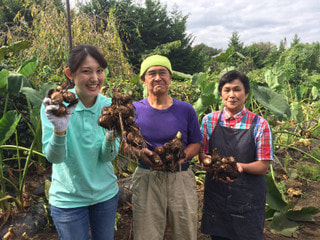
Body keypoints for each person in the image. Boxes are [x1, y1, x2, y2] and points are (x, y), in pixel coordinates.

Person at [40, 44, 119, 240]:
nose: (95, 78)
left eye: (99, 71)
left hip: (105, 195)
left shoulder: (110, 106)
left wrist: (111, 133)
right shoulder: (55, 108)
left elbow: (108, 156)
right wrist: (60, 130)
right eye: (86, 71)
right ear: (70, 73)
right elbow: (55, 158)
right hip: (68, 200)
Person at [132, 55, 202, 240]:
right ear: (143, 79)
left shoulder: (186, 109)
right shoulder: (134, 109)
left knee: (185, 231)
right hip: (147, 176)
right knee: (146, 234)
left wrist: (182, 156)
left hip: (180, 176)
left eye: (162, 72)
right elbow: (124, 142)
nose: (157, 78)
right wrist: (138, 152)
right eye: (151, 73)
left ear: (170, 78)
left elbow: (196, 142)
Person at [199, 70, 273, 240]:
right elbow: (203, 154)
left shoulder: (260, 124)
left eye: (237, 89)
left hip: (248, 198)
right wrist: (208, 161)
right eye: (227, 90)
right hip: (216, 195)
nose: (232, 95)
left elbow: (263, 165)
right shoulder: (209, 120)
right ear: (221, 94)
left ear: (246, 94)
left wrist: (240, 167)